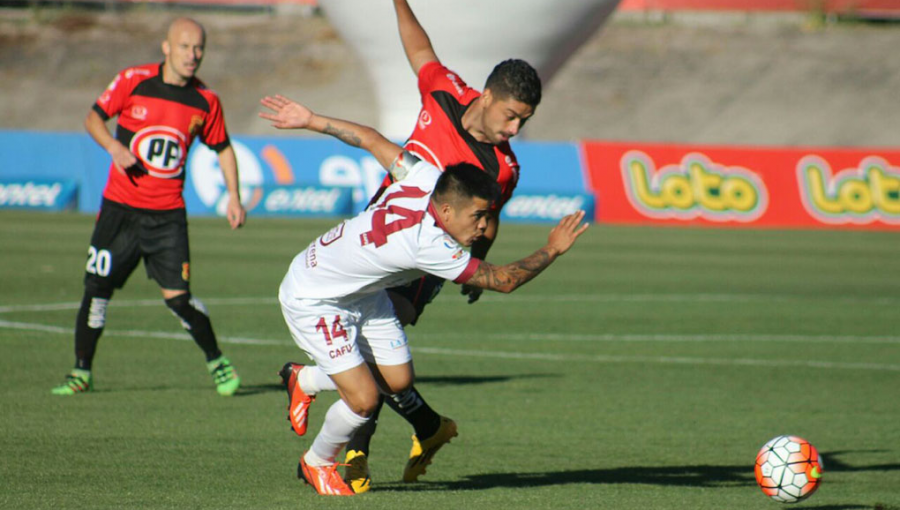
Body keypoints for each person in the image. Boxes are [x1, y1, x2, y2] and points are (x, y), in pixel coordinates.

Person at [259, 94, 586, 496]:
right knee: (362, 400)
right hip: (315, 297)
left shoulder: (426, 177)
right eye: (478, 217)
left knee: (397, 379)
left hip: (359, 290)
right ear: (447, 213)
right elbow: (504, 280)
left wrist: (310, 118)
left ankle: (304, 378)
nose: (483, 228)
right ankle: (317, 462)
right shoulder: (430, 244)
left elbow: (368, 137)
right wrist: (552, 248)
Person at [343, 0, 544, 492]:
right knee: (356, 343)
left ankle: (355, 456)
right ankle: (429, 427)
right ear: (489, 95)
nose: (515, 130)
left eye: (525, 121)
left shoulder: (503, 168)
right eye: (512, 116)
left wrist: (473, 267)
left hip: (423, 263)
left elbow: (486, 219)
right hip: (376, 234)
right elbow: (418, 47)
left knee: (366, 345)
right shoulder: (444, 93)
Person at [51, 17, 246, 397]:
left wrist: (234, 196)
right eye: (186, 47)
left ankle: (217, 361)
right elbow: (93, 118)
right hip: (119, 211)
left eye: (199, 48)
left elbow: (222, 147)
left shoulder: (205, 101)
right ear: (167, 47)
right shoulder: (133, 81)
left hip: (167, 218)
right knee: (97, 292)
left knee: (179, 301)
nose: (193, 55)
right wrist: (113, 147)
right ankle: (81, 372)